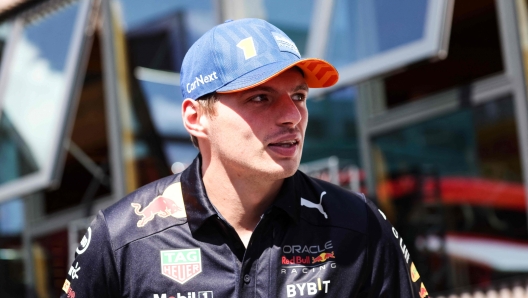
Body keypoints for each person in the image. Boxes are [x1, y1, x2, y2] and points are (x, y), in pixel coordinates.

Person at [60, 18, 429, 298]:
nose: (292, 116)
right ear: (196, 117)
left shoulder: (357, 225)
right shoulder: (122, 238)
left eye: (299, 96)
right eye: (261, 98)